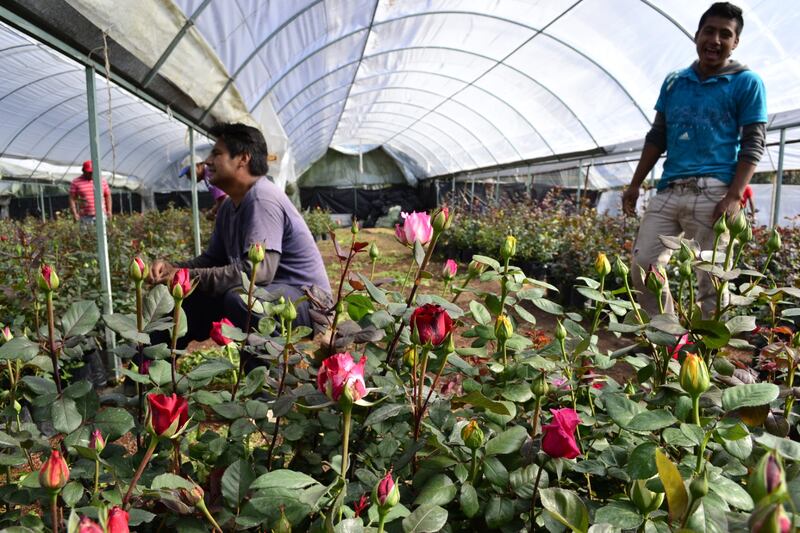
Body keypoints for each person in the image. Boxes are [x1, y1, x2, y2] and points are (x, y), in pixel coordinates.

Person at [621, 2, 767, 318]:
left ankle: (705, 358)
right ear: (697, 35)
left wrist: (733, 196)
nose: (715, 40)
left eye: (725, 35)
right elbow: (657, 136)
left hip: (714, 192)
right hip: (669, 188)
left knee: (712, 280)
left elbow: (753, 141)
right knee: (644, 267)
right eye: (709, 31)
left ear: (735, 42)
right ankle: (670, 340)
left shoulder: (746, 82)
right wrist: (635, 184)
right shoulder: (675, 82)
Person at [149, 123, 332, 348]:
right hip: (271, 294)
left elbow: (260, 273)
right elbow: (212, 260)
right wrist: (172, 270)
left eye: (217, 153)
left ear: (243, 159)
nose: (207, 161)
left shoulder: (262, 198)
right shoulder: (228, 207)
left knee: (241, 300)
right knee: (179, 299)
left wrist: (187, 274)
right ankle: (149, 372)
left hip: (309, 301)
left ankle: (270, 374)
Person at [69, 160, 112, 225]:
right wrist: (74, 213)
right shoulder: (76, 182)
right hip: (85, 217)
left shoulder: (102, 181)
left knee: (102, 234)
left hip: (101, 215)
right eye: (88, 172)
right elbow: (72, 198)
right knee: (86, 234)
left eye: (92, 172)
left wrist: (109, 210)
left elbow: (107, 196)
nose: (91, 174)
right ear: (83, 171)